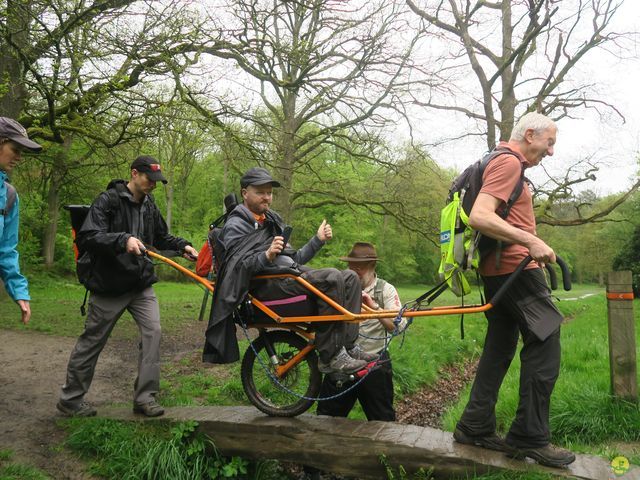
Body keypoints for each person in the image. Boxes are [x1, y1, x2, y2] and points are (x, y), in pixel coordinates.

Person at [452, 112, 575, 467]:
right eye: (549, 143)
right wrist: (531, 241)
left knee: (500, 345)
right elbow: (480, 216)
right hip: (516, 271)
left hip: (497, 274)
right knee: (546, 340)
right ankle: (529, 437)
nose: (550, 152)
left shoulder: (495, 159)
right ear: (530, 134)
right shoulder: (508, 163)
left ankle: (474, 425)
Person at [57, 156, 198, 418]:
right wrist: (123, 240)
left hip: (140, 284)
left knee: (153, 332)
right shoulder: (107, 201)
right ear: (134, 174)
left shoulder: (149, 205)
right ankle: (70, 400)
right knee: (92, 341)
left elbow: (160, 237)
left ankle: (145, 397)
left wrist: (182, 246)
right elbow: (89, 237)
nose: (153, 186)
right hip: (109, 285)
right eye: (149, 179)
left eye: (157, 182)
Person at [203, 167, 376, 373]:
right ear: (244, 193)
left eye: (269, 192)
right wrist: (266, 255)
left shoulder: (271, 220)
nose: (267, 198)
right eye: (260, 192)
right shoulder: (237, 224)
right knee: (331, 276)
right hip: (267, 290)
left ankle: (348, 346)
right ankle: (330, 357)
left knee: (349, 277)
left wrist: (317, 240)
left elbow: (295, 259)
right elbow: (236, 268)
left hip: (289, 278)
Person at [316, 242, 406, 421]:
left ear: (372, 266)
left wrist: (374, 309)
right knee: (326, 419)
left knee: (382, 421)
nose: (354, 273)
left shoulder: (385, 290)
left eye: (359, 269)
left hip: (374, 364)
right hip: (340, 364)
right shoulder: (339, 288)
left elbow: (398, 326)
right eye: (351, 267)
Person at [0, 117, 42, 325]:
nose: (19, 157)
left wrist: (19, 291)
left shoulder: (8, 196)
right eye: (15, 149)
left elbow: (6, 250)